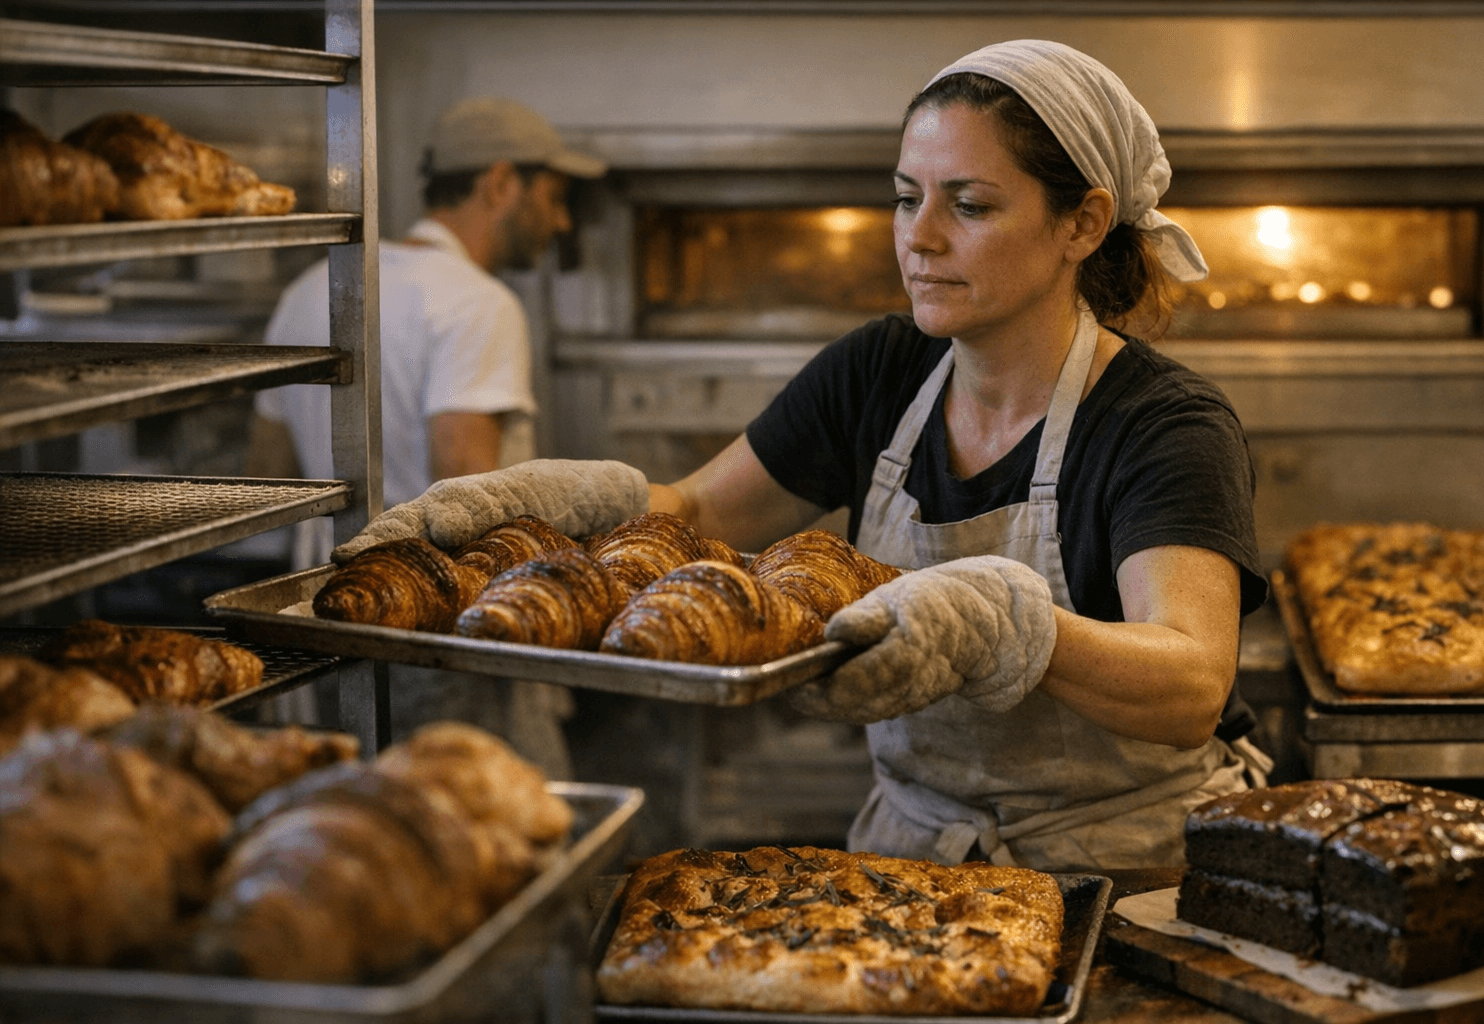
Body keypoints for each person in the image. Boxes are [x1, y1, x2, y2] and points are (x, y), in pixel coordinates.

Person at [332, 40, 1270, 871]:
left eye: (970, 204)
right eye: (906, 198)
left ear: (1083, 223)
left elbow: (1191, 682)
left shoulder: (1161, 423)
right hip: (921, 864)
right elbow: (703, 512)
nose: (919, 237)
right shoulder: (880, 372)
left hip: (1130, 867)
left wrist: (1009, 628)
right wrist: (572, 500)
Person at [247, 97, 606, 778]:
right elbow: (467, 494)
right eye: (554, 197)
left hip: (320, 617)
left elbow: (268, 467)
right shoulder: (477, 304)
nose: (561, 222)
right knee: (487, 817)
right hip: (436, 632)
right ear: (500, 183)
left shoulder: (311, 288)